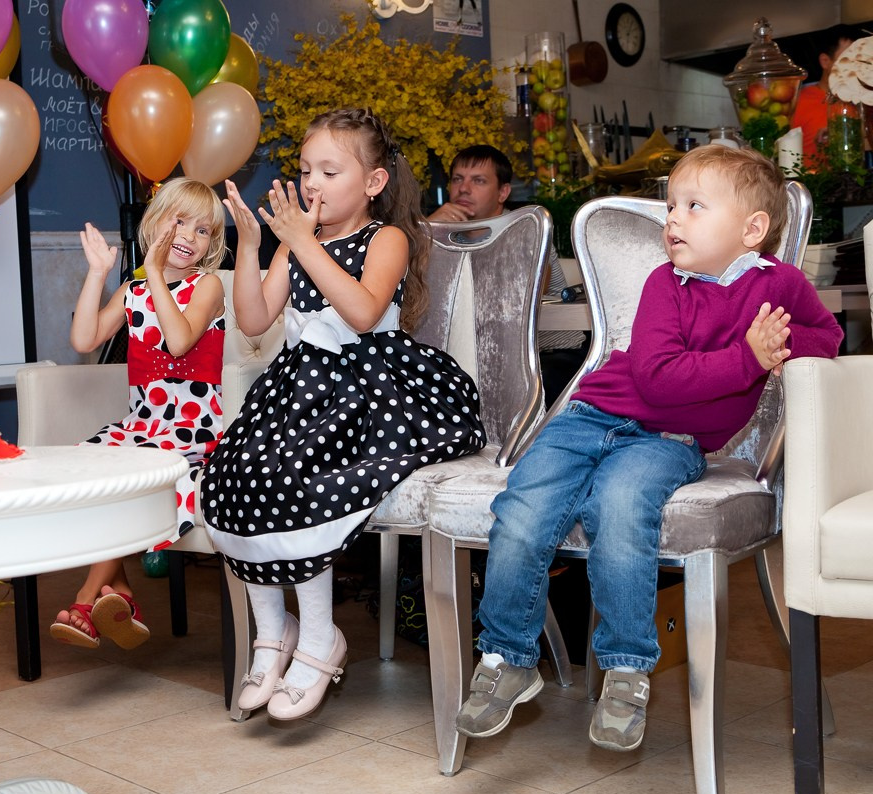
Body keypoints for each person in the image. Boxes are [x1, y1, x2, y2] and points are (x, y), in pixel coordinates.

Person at [455, 144, 844, 752]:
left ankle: (626, 672)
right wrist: (748, 358)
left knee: (621, 506)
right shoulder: (667, 283)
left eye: (693, 206)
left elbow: (829, 337)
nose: (673, 219)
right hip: (591, 417)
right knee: (523, 506)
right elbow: (660, 378)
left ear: (752, 229)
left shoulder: (781, 285)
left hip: (671, 441)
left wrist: (781, 348)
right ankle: (506, 657)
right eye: (672, 207)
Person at [202, 108, 487, 721]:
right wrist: (253, 245)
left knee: (298, 467)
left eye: (330, 172)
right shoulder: (295, 241)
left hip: (368, 386)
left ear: (374, 183)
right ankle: (273, 632)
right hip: (298, 385)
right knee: (233, 466)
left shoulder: (387, 238)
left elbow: (362, 313)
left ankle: (319, 635)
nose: (312, 184)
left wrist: (303, 242)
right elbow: (253, 320)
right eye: (306, 170)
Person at [49, 177, 227, 650]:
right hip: (141, 427)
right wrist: (97, 273)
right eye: (180, 222)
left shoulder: (208, 286)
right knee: (87, 470)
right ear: (155, 223)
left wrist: (155, 273)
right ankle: (121, 593)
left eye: (203, 230)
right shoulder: (134, 289)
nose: (189, 236)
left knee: (139, 479)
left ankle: (86, 599)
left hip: (190, 431)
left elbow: (179, 340)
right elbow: (84, 340)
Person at [428, 145, 587, 406]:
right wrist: (428, 232)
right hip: (474, 356)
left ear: (503, 192)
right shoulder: (440, 235)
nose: (464, 188)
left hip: (548, 353)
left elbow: (521, 297)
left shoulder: (527, 229)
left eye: (478, 180)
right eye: (457, 179)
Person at [790, 23, 859, 168]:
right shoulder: (797, 103)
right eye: (848, 59)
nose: (857, 67)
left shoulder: (866, 102)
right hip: (814, 181)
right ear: (825, 61)